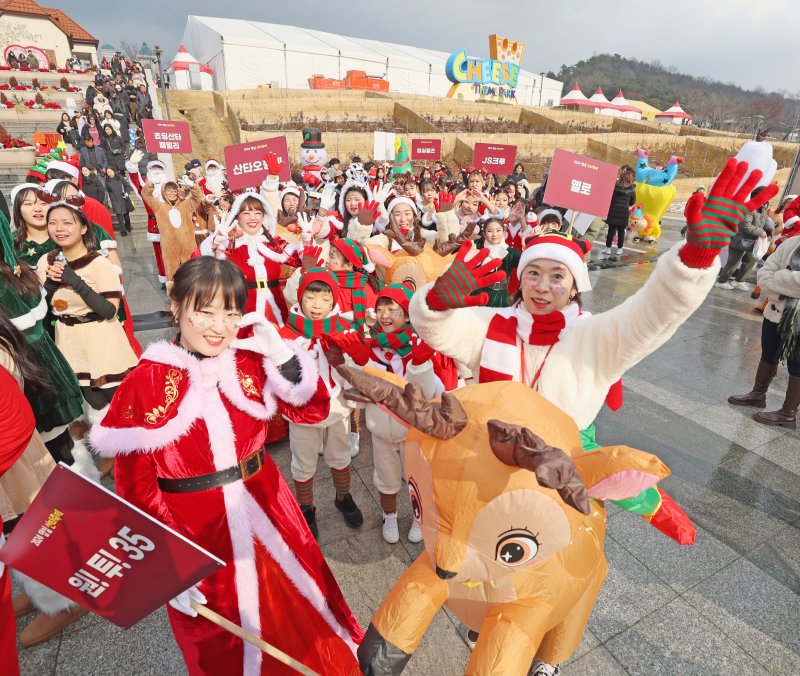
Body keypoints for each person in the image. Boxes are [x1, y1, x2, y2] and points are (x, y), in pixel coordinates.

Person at [406, 158, 776, 672]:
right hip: (491, 464)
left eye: (556, 275)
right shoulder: (490, 323)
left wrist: (693, 259)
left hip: (560, 463)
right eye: (532, 272)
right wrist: (435, 303)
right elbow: (434, 328)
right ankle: (481, 618)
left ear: (575, 285)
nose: (541, 285)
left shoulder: (594, 336)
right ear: (518, 279)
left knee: (567, 563)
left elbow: (654, 312)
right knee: (484, 552)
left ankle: (551, 650)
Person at [90, 256, 363, 675]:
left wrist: (285, 358)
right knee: (222, 647)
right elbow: (134, 490)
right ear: (176, 304)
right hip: (198, 534)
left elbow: (313, 410)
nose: (219, 326)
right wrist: (167, 568)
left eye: (232, 313)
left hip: (270, 509)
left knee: (305, 617)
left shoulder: (250, 359)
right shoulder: (144, 382)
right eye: (205, 310)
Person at [330, 284, 454, 545]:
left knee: (419, 480)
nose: (385, 314)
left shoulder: (417, 345)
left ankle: (420, 519)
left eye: (392, 309)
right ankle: (390, 516)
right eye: (380, 309)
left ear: (407, 315)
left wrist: (420, 365)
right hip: (381, 432)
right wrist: (361, 364)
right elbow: (354, 391)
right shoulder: (370, 347)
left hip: (414, 433)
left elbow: (428, 394)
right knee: (386, 481)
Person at [278, 269, 364, 538]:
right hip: (301, 410)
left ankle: (343, 497)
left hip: (336, 406)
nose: (317, 306)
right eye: (311, 297)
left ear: (334, 301)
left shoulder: (343, 329)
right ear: (300, 297)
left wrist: (344, 355)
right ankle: (306, 507)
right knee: (303, 462)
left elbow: (357, 367)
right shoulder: (286, 334)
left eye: (325, 299)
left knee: (340, 456)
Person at [37, 203, 138, 424]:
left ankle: (141, 451)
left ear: (83, 228)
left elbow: (109, 311)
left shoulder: (98, 263)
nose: (59, 228)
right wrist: (52, 285)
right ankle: (111, 452)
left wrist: (75, 281)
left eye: (66, 222)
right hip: (69, 340)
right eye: (53, 223)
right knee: (95, 405)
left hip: (101, 338)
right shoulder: (46, 261)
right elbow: (41, 309)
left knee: (119, 402)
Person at [728, 230, 800, 428]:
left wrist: (781, 279)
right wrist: (783, 288)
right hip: (775, 310)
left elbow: (775, 277)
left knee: (797, 365)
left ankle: (788, 413)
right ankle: (757, 395)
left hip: (797, 319)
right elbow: (764, 274)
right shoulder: (792, 241)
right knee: (768, 354)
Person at [201, 192, 299, 325]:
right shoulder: (228, 244)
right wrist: (214, 242)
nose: (253, 218)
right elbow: (198, 264)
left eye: (258, 213)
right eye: (246, 213)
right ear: (237, 216)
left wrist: (307, 237)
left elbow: (300, 260)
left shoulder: (273, 243)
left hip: (275, 312)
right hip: (240, 312)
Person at [142, 175, 204, 284]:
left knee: (193, 274)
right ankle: (175, 298)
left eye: (174, 190)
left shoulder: (186, 205)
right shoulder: (159, 207)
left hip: (188, 248)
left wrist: (193, 186)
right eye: (168, 190)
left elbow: (198, 197)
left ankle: (195, 296)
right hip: (170, 249)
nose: (172, 193)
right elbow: (146, 195)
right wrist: (150, 183)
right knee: (172, 278)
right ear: (163, 193)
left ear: (178, 191)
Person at [715, 185, 771, 290]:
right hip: (739, 240)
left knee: (750, 262)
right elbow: (745, 225)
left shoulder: (762, 209)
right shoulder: (748, 208)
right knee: (733, 263)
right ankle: (721, 281)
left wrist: (769, 230)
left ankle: (739, 281)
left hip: (753, 242)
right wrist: (760, 232)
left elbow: (766, 221)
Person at [474, 216, 521, 307]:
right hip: (478, 295)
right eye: (490, 231)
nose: (494, 234)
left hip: (500, 298)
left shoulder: (511, 253)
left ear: (503, 232)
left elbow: (527, 265)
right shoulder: (478, 248)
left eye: (498, 230)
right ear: (484, 234)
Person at [604, 165, 637, 256]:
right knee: (621, 231)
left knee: (611, 230)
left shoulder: (615, 187)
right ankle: (619, 249)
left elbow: (610, 197)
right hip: (623, 212)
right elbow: (633, 201)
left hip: (613, 210)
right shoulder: (631, 190)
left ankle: (608, 249)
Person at [104, 167, 132, 236]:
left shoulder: (120, 178)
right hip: (115, 199)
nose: (110, 173)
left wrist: (127, 193)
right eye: (108, 172)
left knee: (126, 216)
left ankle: (128, 226)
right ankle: (123, 231)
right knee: (119, 216)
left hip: (124, 198)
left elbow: (127, 186)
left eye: (111, 171)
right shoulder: (107, 181)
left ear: (114, 171)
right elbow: (108, 190)